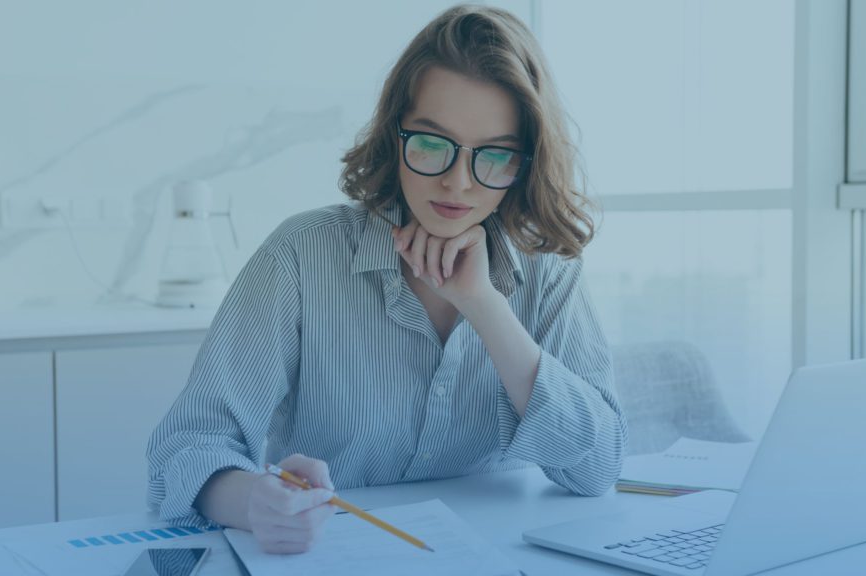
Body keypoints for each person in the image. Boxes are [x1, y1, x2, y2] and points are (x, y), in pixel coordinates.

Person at [146, 3, 627, 555]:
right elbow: (184, 450)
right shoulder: (302, 255)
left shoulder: (547, 267)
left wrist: (485, 306)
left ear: (526, 160)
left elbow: (597, 467)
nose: (457, 183)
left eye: (494, 156)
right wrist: (255, 501)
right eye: (430, 143)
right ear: (394, 134)